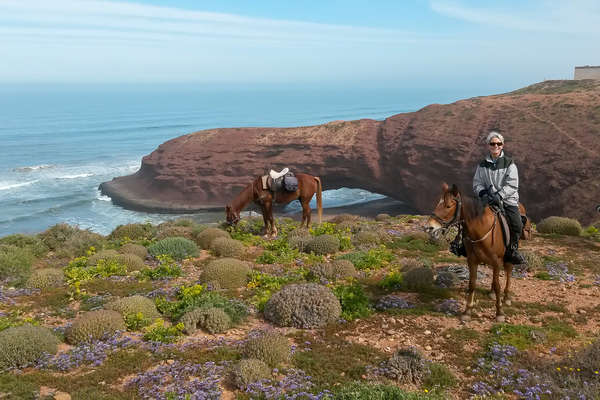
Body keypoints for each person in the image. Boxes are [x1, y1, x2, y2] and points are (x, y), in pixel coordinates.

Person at [472, 131, 525, 264]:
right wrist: (482, 192)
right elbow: (477, 183)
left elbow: (513, 184)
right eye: (492, 143)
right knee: (470, 219)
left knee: (517, 224)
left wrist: (500, 195)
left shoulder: (509, 163)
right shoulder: (482, 164)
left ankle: (513, 250)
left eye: (498, 143)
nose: (495, 146)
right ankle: (464, 246)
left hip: (508, 200)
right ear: (488, 146)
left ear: (502, 145)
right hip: (487, 200)